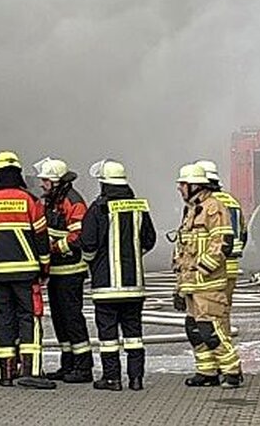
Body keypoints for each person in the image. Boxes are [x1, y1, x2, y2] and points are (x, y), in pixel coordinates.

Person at [0, 151, 55, 389]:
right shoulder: (29, 200)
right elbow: (41, 238)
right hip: (26, 273)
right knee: (29, 318)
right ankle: (31, 371)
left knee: (3, 319)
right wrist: (44, 268)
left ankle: (5, 373)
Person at [80, 159, 156, 391]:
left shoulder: (98, 208)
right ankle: (136, 379)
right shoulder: (139, 207)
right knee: (134, 334)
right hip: (134, 286)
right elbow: (149, 240)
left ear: (104, 183)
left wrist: (93, 263)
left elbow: (88, 244)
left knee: (108, 336)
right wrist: (132, 255)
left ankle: (112, 379)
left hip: (106, 287)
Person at [173, 163, 243, 388]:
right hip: (191, 284)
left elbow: (223, 243)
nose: (179, 188)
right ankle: (206, 371)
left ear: (195, 186)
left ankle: (232, 370)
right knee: (194, 330)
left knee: (210, 329)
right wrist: (179, 287)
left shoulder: (214, 208)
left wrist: (202, 270)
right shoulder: (193, 209)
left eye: (183, 184)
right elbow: (184, 249)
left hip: (207, 283)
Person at [34, 157, 92, 383]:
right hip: (56, 271)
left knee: (72, 318)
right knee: (59, 319)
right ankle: (67, 364)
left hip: (71, 270)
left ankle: (83, 367)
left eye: (46, 181)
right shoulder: (49, 201)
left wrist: (55, 247)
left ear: (57, 182)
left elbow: (78, 236)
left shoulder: (73, 201)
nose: (42, 185)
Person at [195, 160, 246, 345]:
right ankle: (223, 347)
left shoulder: (208, 205)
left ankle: (221, 352)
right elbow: (243, 233)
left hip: (212, 267)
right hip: (231, 265)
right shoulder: (232, 202)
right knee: (224, 310)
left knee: (211, 314)